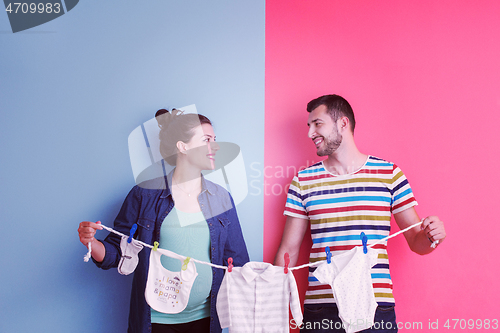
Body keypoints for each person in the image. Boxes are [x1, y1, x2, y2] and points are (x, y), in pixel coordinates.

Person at [274, 94, 446, 333]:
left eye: (318, 123)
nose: (310, 133)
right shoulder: (303, 181)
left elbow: (418, 242)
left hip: (375, 306)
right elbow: (288, 250)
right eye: (309, 125)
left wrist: (432, 236)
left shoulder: (389, 175)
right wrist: (274, 302)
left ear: (343, 123)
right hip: (321, 309)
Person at [78, 109, 249, 333]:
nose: (215, 146)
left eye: (214, 140)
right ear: (183, 146)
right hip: (156, 322)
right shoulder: (144, 195)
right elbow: (117, 254)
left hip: (207, 321)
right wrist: (91, 243)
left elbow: (238, 262)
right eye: (207, 140)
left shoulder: (221, 199)